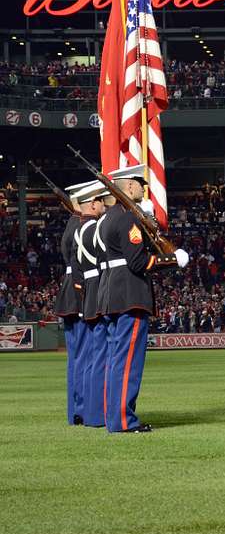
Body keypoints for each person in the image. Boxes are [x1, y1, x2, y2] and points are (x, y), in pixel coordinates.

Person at [96, 166, 189, 433]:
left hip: (112, 294)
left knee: (115, 360)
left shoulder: (110, 218)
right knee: (127, 363)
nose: (143, 187)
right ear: (128, 187)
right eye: (139, 183)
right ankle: (124, 421)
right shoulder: (127, 220)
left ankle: (114, 417)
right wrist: (172, 259)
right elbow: (138, 262)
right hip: (130, 295)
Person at [55, 180, 91, 425]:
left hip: (68, 292)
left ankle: (76, 411)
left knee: (76, 358)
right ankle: (83, 410)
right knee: (85, 357)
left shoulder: (72, 223)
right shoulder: (83, 225)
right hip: (80, 293)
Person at [76, 182, 110, 427]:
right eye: (101, 201)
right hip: (99, 291)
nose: (103, 206)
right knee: (101, 359)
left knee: (92, 360)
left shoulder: (80, 229)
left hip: (89, 292)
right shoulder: (94, 229)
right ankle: (98, 413)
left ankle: (91, 411)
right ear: (93, 203)